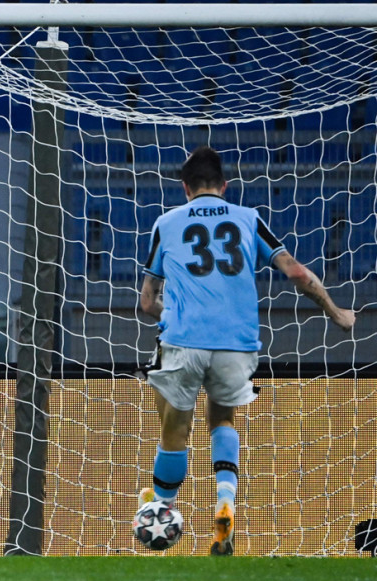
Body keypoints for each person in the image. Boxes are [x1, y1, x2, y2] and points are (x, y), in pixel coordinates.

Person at [138, 146, 355, 556]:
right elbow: (295, 271)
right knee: (221, 417)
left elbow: (147, 301)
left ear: (185, 188)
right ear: (225, 186)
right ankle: (225, 504)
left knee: (175, 427)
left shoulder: (166, 223)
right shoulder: (248, 218)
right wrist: (335, 311)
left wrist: (177, 310)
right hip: (236, 344)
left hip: (185, 341)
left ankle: (162, 509)